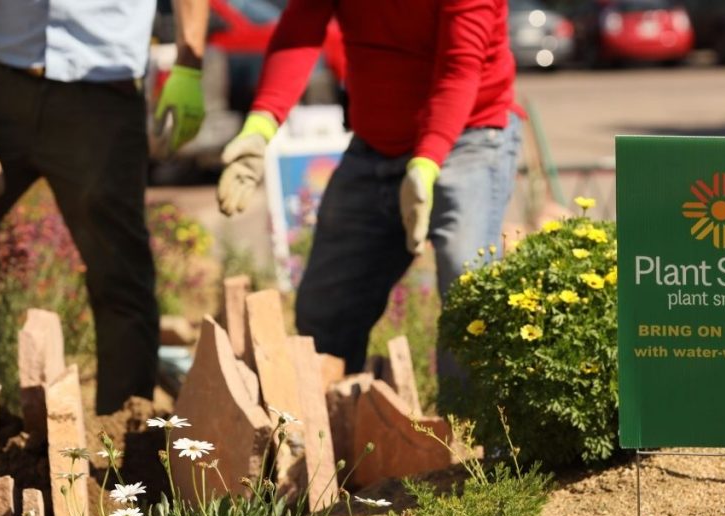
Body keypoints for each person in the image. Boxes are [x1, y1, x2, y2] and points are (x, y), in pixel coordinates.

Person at [0, 0, 208, 415]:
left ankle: (122, 446)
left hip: (101, 99)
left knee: (120, 277)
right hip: (0, 86)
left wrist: (189, 63)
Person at [217, 0, 522, 388]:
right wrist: (260, 125)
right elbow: (299, 31)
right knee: (325, 308)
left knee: (467, 288)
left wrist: (426, 163)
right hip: (374, 144)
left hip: (470, 138)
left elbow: (459, 69)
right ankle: (325, 426)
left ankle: (471, 437)